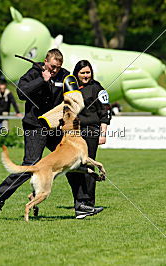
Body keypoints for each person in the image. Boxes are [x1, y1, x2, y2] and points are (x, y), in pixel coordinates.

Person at [0, 49, 104, 220]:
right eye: (52, 66)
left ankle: (82, 206)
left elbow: (74, 97)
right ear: (45, 61)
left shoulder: (65, 76)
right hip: (35, 126)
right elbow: (21, 93)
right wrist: (42, 81)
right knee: (31, 163)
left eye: (58, 67)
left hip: (56, 126)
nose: (55, 70)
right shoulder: (34, 73)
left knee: (73, 160)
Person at [66, 60, 111, 216]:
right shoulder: (70, 88)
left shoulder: (97, 88)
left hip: (91, 131)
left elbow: (105, 112)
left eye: (88, 72)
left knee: (88, 167)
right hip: (73, 132)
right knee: (72, 168)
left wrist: (103, 134)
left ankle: (89, 203)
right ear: (76, 73)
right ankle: (79, 201)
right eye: (82, 73)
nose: (86, 76)